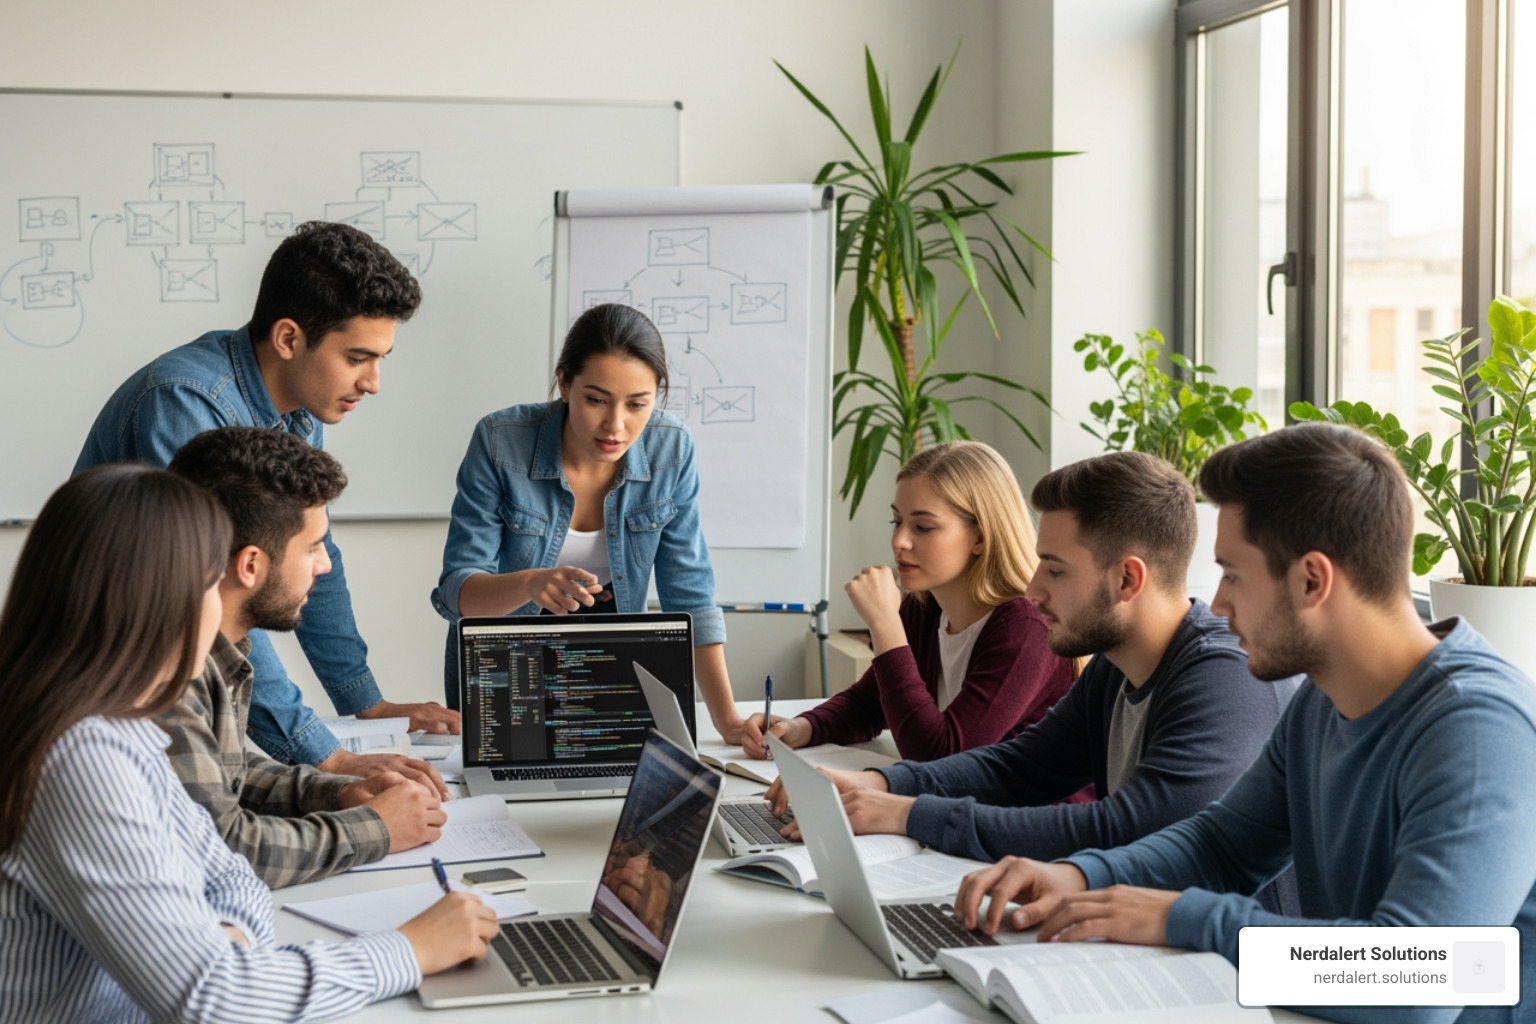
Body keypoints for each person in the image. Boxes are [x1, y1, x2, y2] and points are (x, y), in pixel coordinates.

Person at [952, 424, 1536, 1024]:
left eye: (1232, 573)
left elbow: (1422, 981)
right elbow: (1223, 845)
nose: (1219, 604)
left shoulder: (1479, 728)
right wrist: (1079, 876)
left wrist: (1188, 919)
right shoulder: (1323, 698)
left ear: (1313, 580)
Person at [0, 464, 498, 1024]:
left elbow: (229, 873)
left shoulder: (118, 729)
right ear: (159, 597)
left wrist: (224, 948)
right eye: (214, 584)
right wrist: (410, 950)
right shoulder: (83, 756)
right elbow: (216, 999)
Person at [769, 452, 1299, 888]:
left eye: (1056, 569)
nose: (1031, 589)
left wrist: (904, 812)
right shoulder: (1116, 667)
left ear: (1127, 580)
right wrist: (878, 780)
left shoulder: (1225, 676)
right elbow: (1017, 768)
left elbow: (1131, 827)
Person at [74, 220, 457, 786]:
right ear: (287, 338)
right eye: (356, 357)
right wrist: (328, 756)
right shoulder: (185, 402)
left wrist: (364, 704)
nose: (373, 382)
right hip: (115, 687)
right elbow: (222, 589)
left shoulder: (298, 408)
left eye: (381, 358)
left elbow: (309, 554)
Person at [432, 302, 748, 744]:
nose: (615, 425)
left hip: (608, 660)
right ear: (564, 382)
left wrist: (728, 720)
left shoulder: (670, 449)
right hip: (505, 660)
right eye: (596, 400)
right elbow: (455, 592)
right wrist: (528, 584)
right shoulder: (501, 441)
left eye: (638, 404)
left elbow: (690, 596)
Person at [161, 426, 447, 887]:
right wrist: (376, 828)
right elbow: (218, 852)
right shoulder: (166, 673)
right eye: (312, 547)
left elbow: (218, 774)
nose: (325, 565)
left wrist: (339, 793)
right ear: (251, 564)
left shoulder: (219, 650)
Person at [742, 440, 1075, 762]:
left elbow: (941, 755)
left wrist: (886, 623)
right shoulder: (926, 609)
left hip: (1022, 815)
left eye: (924, 527)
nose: (899, 541)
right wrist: (802, 727)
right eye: (897, 521)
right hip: (956, 808)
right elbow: (869, 702)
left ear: (980, 537)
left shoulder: (1027, 627)